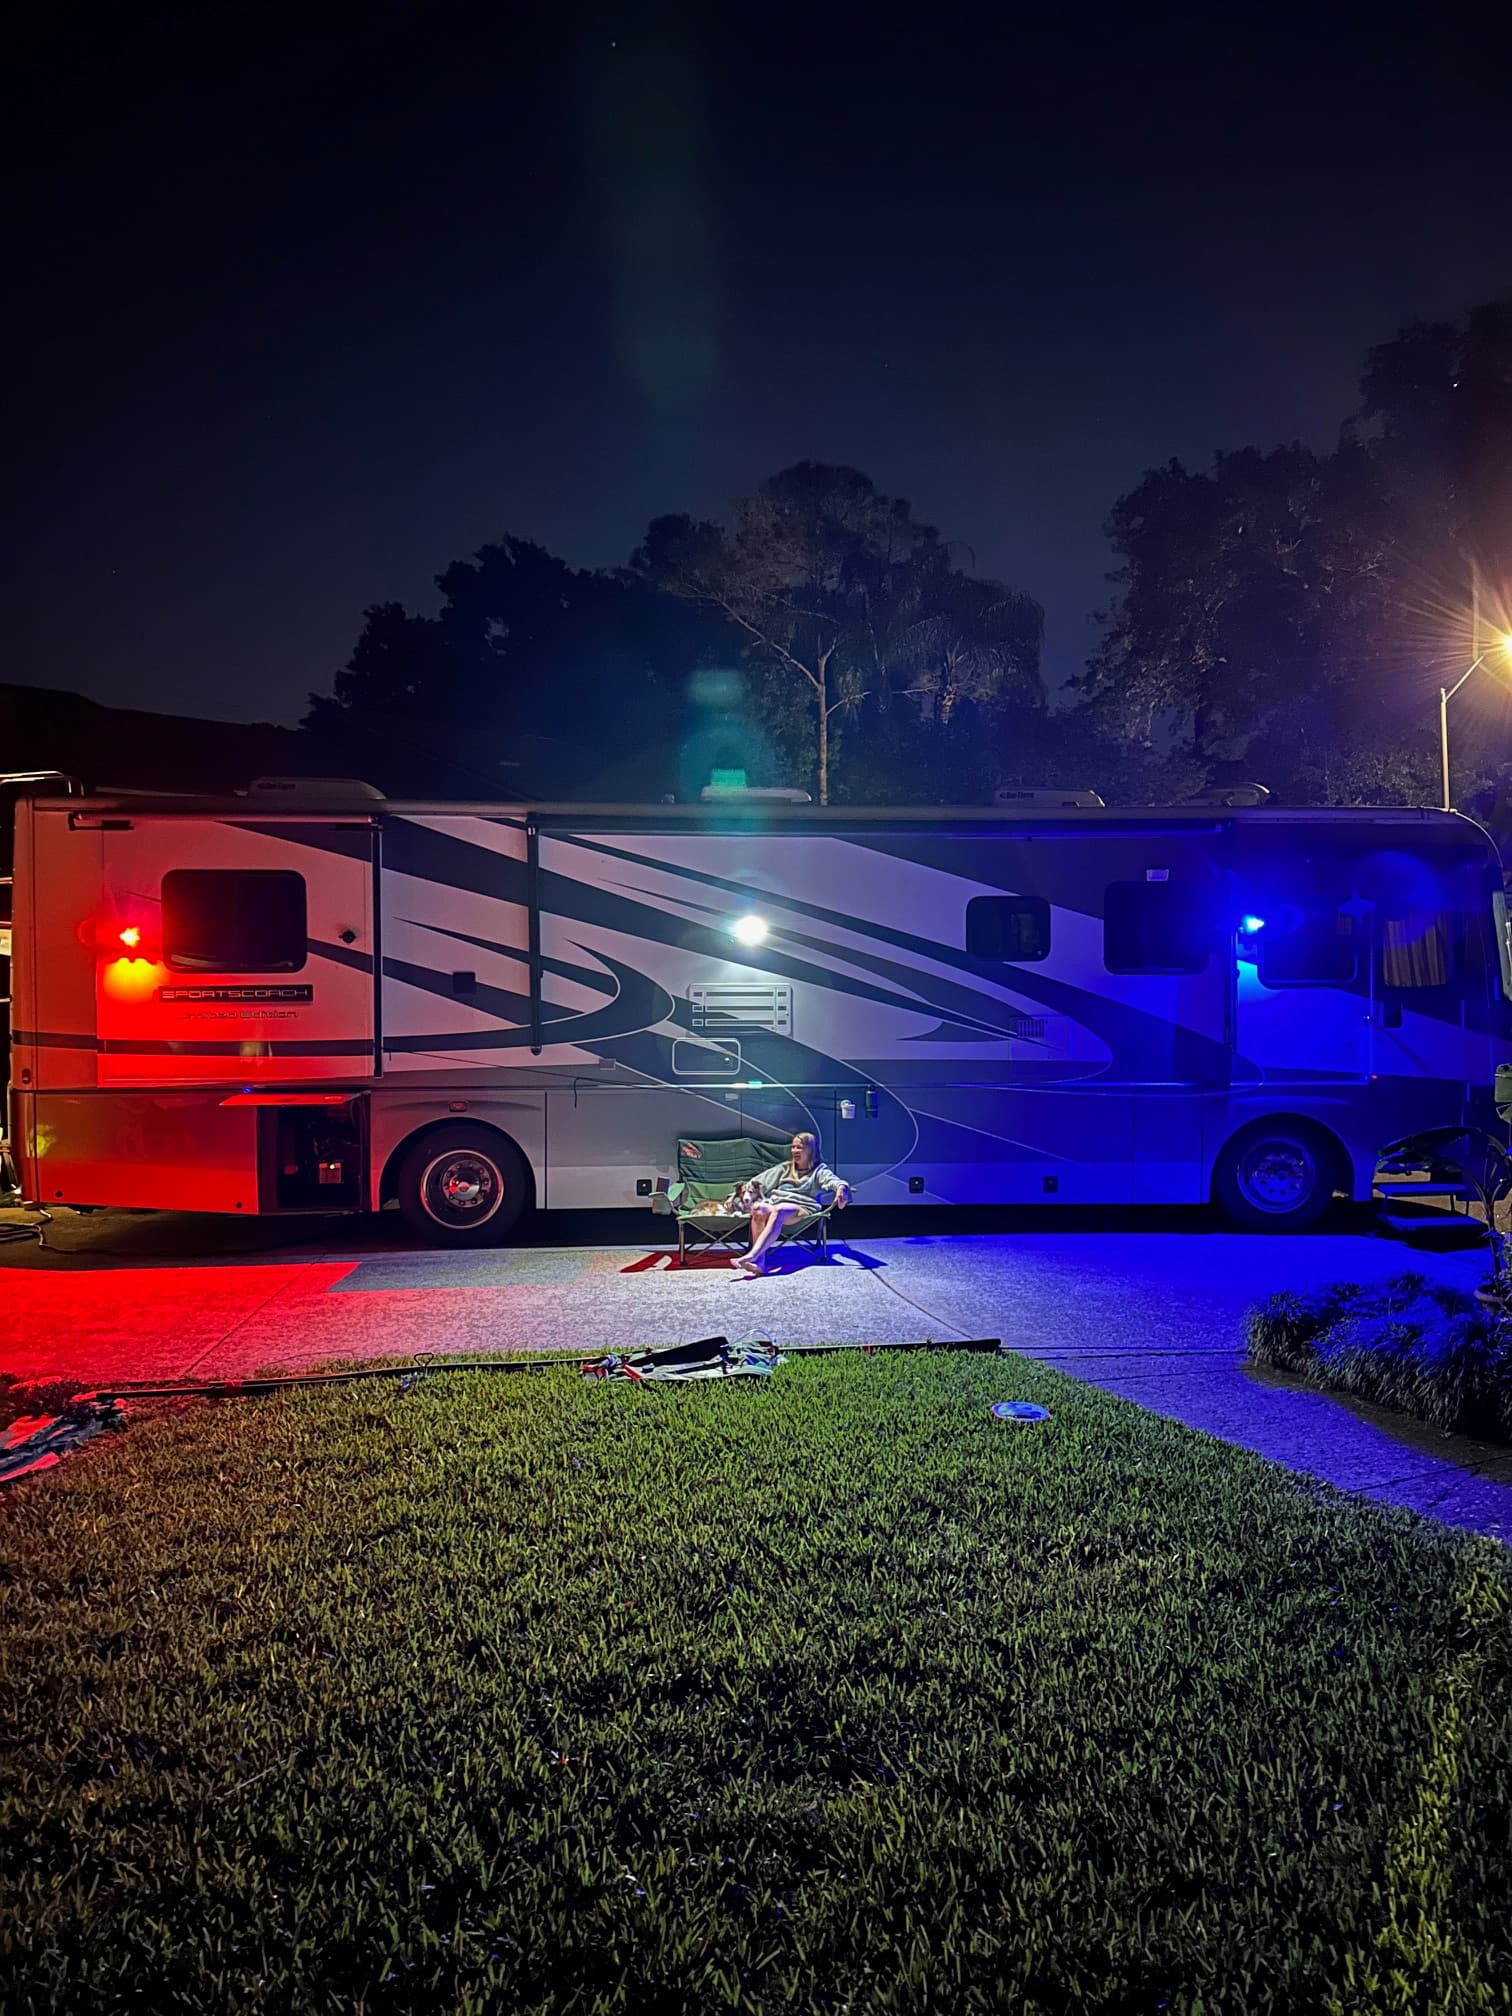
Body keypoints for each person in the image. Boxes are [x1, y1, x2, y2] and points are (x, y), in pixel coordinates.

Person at [733, 1131, 850, 1277]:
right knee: (758, 1208)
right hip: (776, 1205)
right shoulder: (785, 1168)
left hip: (802, 1207)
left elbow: (834, 1181)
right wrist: (733, 1197)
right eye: (793, 1147)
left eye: (799, 1147)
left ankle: (752, 1255)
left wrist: (841, 1188)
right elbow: (756, 1182)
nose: (794, 1151)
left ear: (810, 1149)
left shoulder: (819, 1170)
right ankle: (760, 1262)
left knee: (780, 1209)